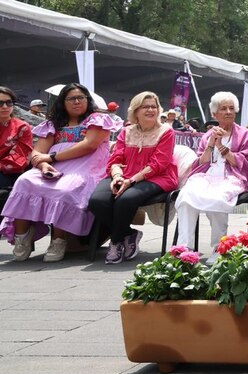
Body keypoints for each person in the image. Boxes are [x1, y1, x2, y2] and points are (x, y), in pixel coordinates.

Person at [2, 84, 120, 262]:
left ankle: (59, 240)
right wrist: (42, 165)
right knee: (24, 181)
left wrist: (51, 157)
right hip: (51, 167)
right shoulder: (53, 124)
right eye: (71, 98)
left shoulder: (97, 119)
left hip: (84, 169)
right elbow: (37, 152)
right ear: (62, 102)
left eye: (81, 97)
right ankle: (22, 237)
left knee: (64, 189)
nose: (77, 101)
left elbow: (89, 145)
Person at [88, 91, 177, 264]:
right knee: (97, 201)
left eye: (154, 106)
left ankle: (115, 242)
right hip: (124, 174)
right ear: (136, 111)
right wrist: (117, 177)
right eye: (146, 107)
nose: (151, 110)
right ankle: (129, 233)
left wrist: (131, 180)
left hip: (157, 176)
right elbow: (116, 159)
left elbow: (159, 163)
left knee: (125, 200)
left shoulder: (166, 132)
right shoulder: (126, 131)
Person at [174, 92, 248, 256]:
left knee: (218, 198)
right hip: (208, 175)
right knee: (186, 196)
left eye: (231, 108)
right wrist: (211, 143)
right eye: (223, 108)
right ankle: (184, 248)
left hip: (233, 176)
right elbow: (201, 163)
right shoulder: (207, 135)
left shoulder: (245, 135)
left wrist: (221, 146)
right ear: (215, 114)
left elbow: (245, 164)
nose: (228, 112)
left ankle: (220, 247)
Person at [0, 87, 34, 189]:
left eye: (9, 102)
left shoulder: (22, 127)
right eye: (0, 103)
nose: (5, 106)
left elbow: (21, 158)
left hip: (9, 173)